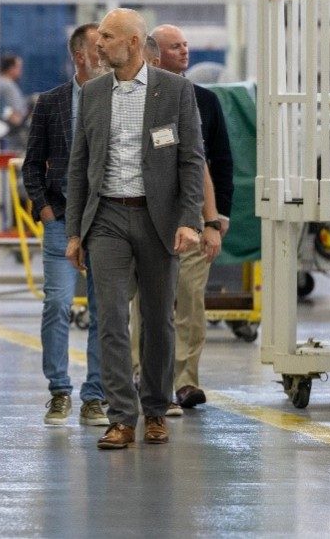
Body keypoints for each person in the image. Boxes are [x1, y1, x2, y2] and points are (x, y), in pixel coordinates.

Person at [66, 8, 204, 450]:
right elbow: (78, 166)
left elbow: (191, 161)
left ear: (131, 42)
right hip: (106, 217)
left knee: (159, 321)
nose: (98, 44)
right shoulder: (92, 94)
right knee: (109, 317)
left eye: (107, 37)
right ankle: (121, 417)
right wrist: (74, 232)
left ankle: (156, 410)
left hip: (158, 218)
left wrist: (189, 220)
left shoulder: (175, 91)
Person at [22, 23, 109, 427]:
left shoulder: (118, 99)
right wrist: (43, 208)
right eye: (99, 45)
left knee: (103, 309)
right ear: (80, 56)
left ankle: (95, 395)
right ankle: (59, 390)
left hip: (108, 221)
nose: (105, 52)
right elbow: (32, 164)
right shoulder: (52, 103)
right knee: (57, 303)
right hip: (61, 220)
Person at [151, 24, 232, 414]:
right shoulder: (139, 99)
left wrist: (216, 218)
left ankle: (185, 381)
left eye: (186, 45)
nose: (184, 51)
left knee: (190, 303)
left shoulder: (204, 101)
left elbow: (215, 162)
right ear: (154, 52)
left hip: (195, 217)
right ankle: (144, 375)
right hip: (147, 218)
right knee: (147, 304)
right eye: (175, 46)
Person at [0, 53, 29, 148]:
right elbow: (15, 112)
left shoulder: (0, 83)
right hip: (12, 134)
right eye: (18, 67)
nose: (21, 70)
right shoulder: (7, 85)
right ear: (11, 68)